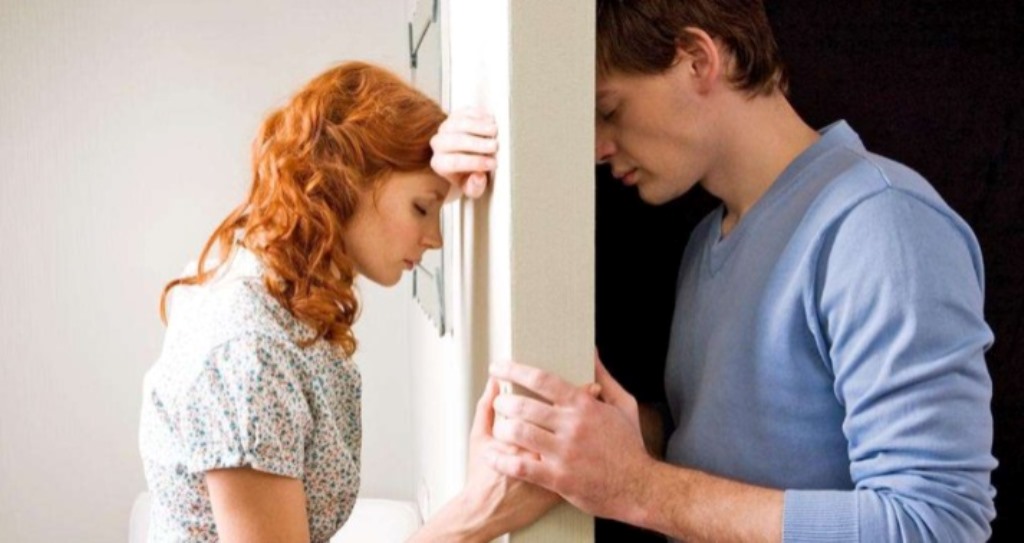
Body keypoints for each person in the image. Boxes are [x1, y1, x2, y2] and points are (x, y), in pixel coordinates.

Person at [430, 0, 998, 541]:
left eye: (609, 109)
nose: (598, 147)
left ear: (697, 60)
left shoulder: (879, 222)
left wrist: (636, 487)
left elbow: (935, 525)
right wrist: (622, 437)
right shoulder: (709, 241)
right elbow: (736, 453)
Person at [138, 61, 562, 543]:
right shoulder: (249, 353)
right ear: (346, 179)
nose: (435, 239)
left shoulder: (265, 286)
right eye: (422, 208)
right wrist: (477, 514)